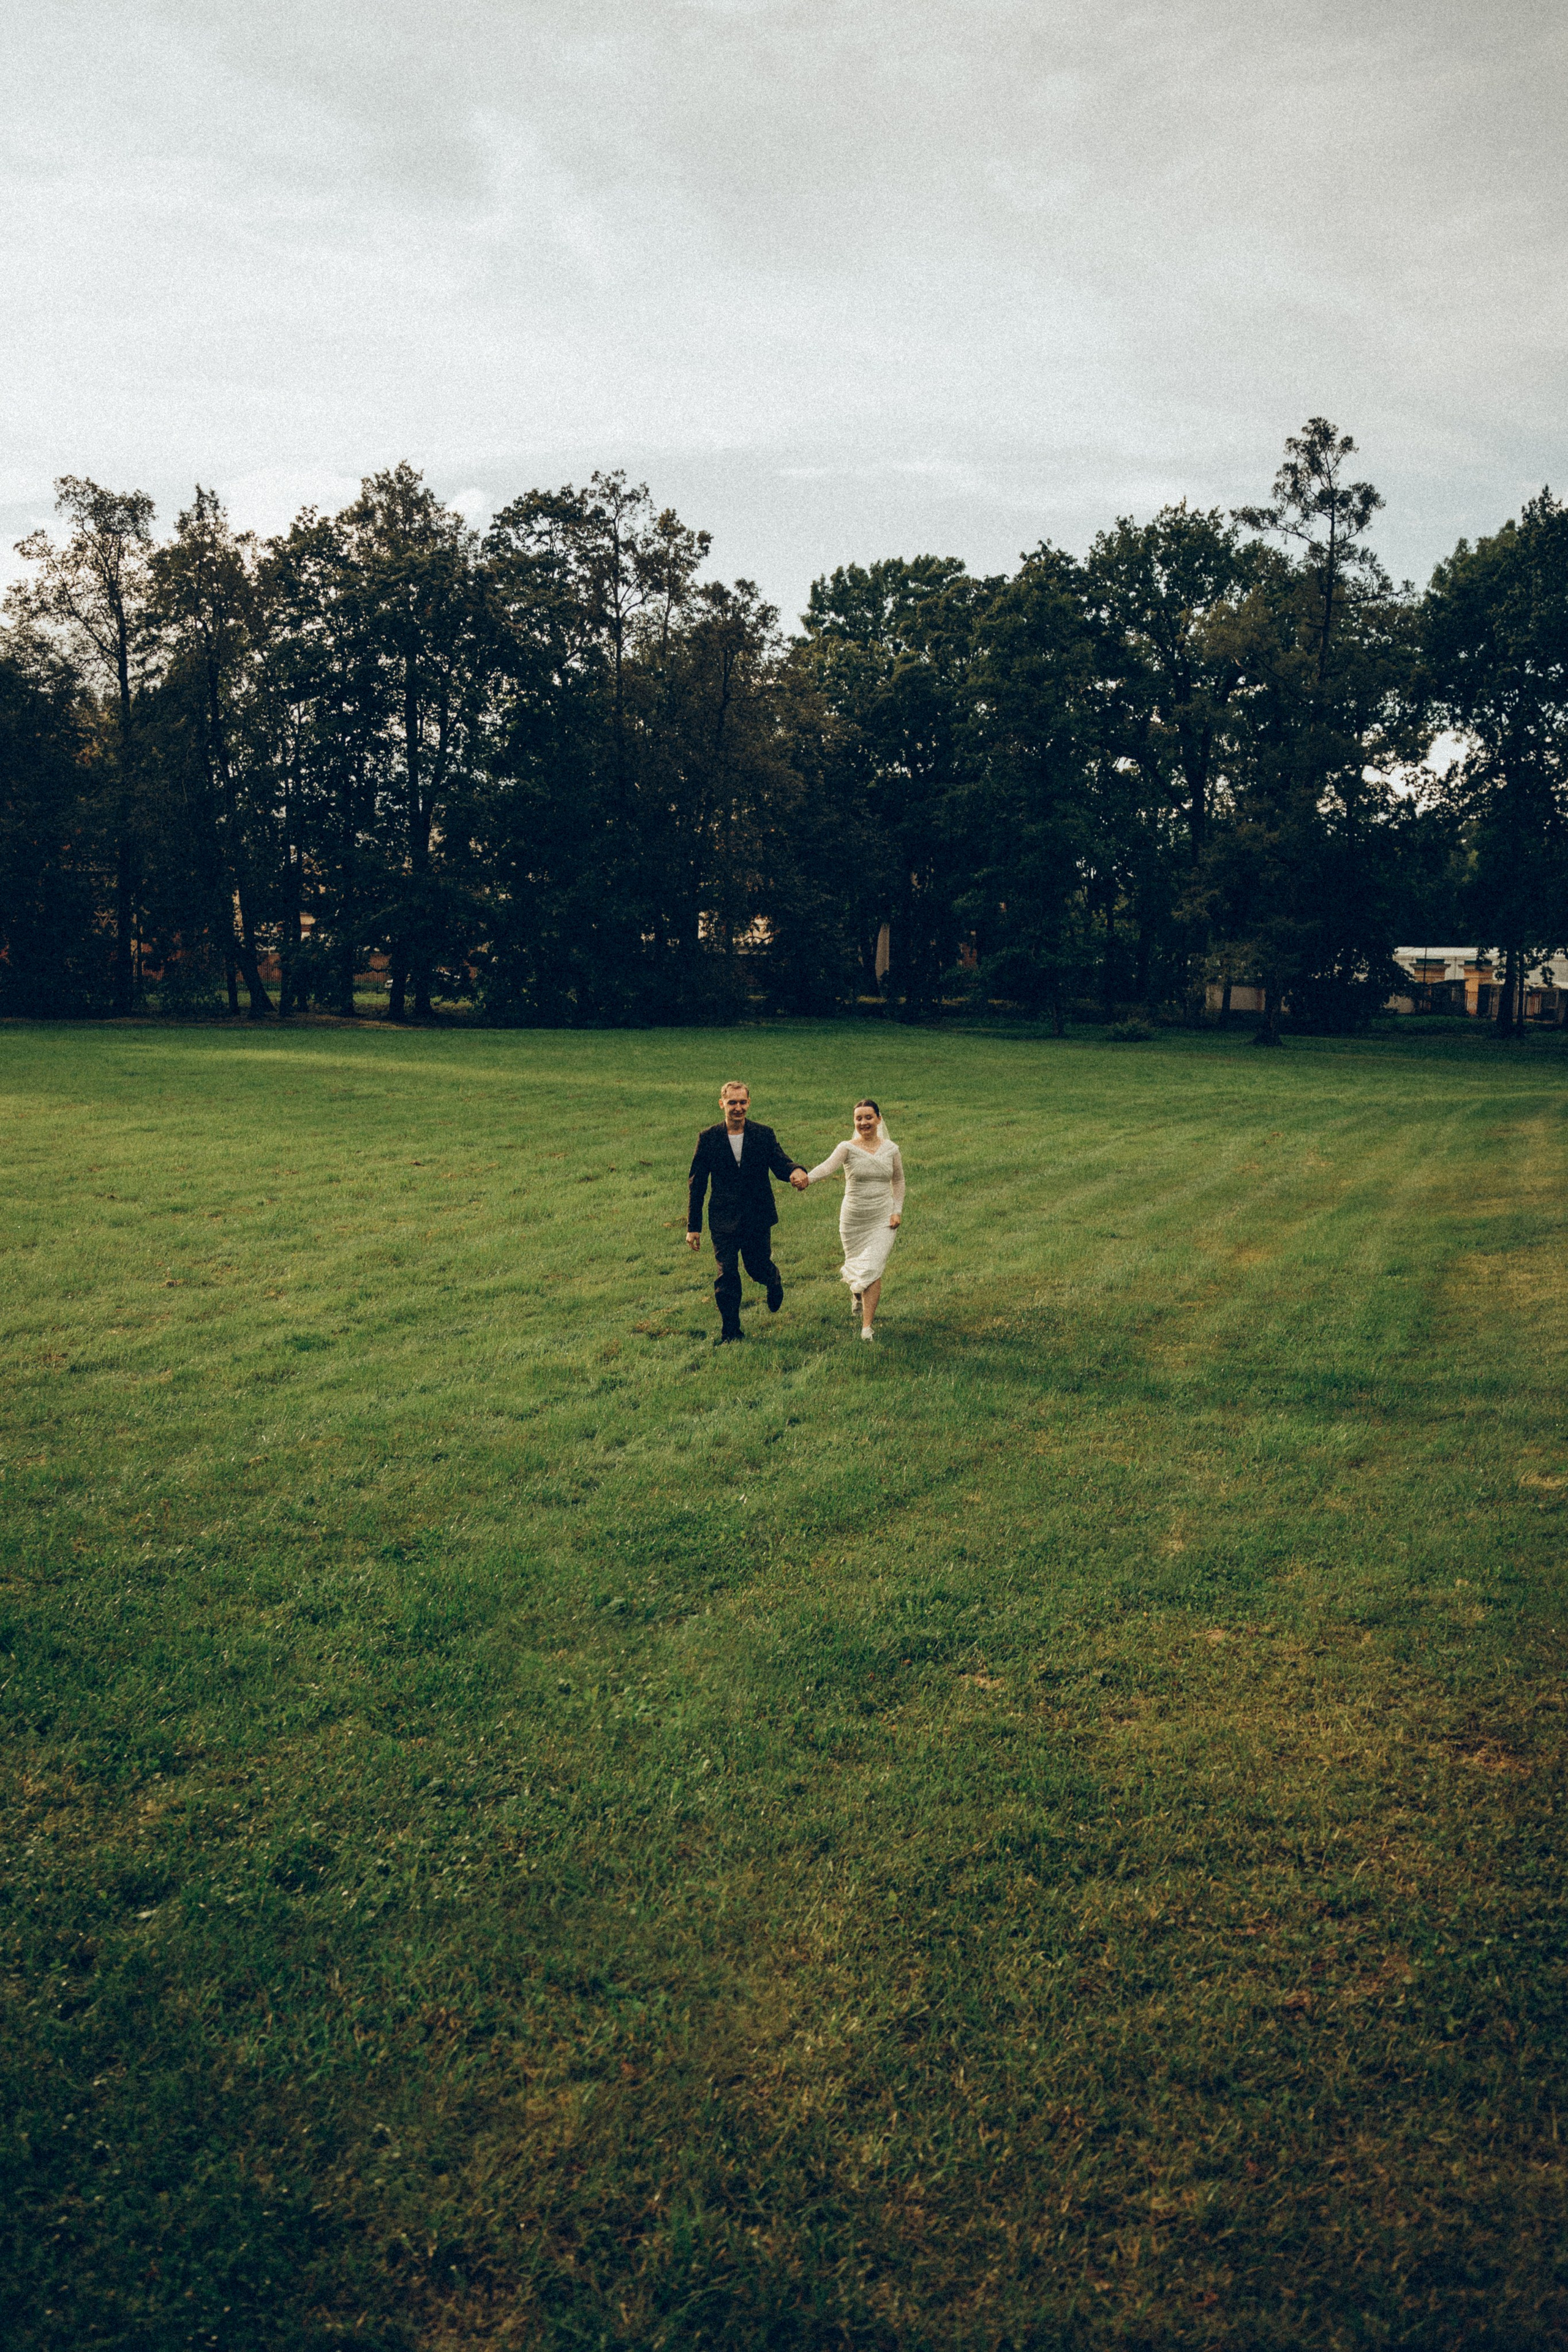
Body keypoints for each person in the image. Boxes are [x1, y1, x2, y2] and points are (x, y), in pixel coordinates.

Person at [686, 1081, 810, 1345]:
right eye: (732, 1103)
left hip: (757, 1215)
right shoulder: (708, 1138)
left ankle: (773, 1279)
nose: (738, 1108)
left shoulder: (763, 1135)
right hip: (723, 1219)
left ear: (749, 1103)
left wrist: (795, 1171)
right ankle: (731, 1332)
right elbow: (697, 1183)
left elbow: (780, 1162)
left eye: (742, 1102)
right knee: (727, 1274)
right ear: (722, 1104)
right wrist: (693, 1226)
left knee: (756, 1268)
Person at [803, 1098, 905, 1341]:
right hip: (853, 1220)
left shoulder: (891, 1149)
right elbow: (827, 1167)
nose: (864, 1123)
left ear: (879, 1119)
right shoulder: (847, 1147)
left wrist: (897, 1209)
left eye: (868, 1117)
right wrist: (806, 1179)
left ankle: (866, 1327)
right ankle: (857, 1292)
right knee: (859, 1266)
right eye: (859, 1118)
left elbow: (899, 1181)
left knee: (873, 1267)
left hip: (883, 1217)